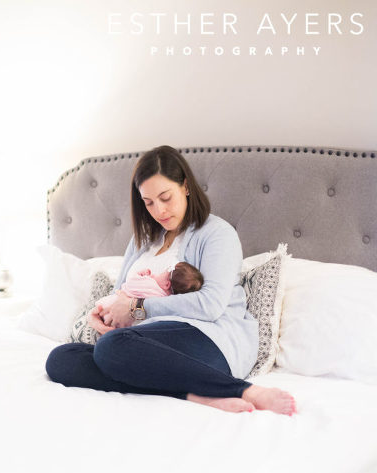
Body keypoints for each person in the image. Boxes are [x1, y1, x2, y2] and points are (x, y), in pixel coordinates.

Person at [45, 145, 297, 415]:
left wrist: (136, 308)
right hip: (143, 342)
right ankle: (192, 394)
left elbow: (210, 305)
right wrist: (104, 315)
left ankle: (244, 390)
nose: (159, 210)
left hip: (209, 338)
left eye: (166, 197)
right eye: (149, 202)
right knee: (61, 359)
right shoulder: (142, 241)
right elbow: (121, 295)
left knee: (111, 349)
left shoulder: (216, 234)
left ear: (185, 187)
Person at [95, 261, 204, 312]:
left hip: (110, 305)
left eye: (164, 272)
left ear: (167, 284)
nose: (158, 273)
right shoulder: (161, 300)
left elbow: (130, 282)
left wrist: (140, 274)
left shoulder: (150, 285)